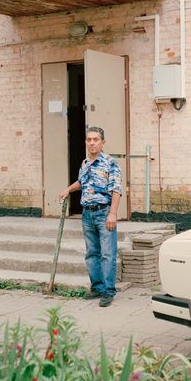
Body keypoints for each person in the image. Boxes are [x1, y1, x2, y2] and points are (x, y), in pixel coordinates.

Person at [59, 126, 122, 307]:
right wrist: (68, 190)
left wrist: (112, 213)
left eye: (96, 139)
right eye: (89, 140)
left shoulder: (111, 163)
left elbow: (116, 189)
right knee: (92, 253)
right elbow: (82, 182)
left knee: (108, 253)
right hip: (87, 214)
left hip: (104, 213)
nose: (92, 142)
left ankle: (108, 291)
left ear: (103, 142)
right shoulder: (85, 163)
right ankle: (97, 288)